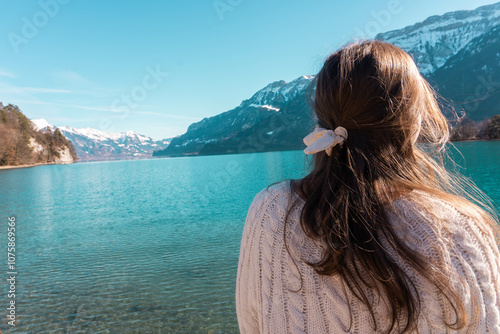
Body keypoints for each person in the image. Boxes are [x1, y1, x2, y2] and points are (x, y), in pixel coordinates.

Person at [235, 40, 500, 333]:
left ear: (320, 116)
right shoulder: (459, 230)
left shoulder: (269, 209)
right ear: (412, 120)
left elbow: (252, 323)